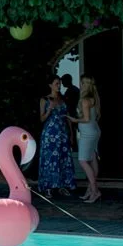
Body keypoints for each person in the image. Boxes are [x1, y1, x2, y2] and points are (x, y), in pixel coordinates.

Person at [37, 76, 76, 198]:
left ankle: (62, 185)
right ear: (50, 85)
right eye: (56, 83)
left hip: (63, 133)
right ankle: (48, 186)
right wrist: (49, 109)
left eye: (59, 84)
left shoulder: (63, 99)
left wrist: (71, 134)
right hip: (50, 134)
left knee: (63, 159)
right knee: (50, 160)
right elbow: (42, 118)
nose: (59, 86)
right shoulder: (45, 99)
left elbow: (67, 117)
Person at [76, 75, 102, 203]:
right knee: (92, 159)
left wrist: (74, 119)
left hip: (88, 133)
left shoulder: (85, 100)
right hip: (94, 130)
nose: (80, 85)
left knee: (83, 161)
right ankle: (90, 190)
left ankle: (95, 190)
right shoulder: (94, 98)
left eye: (81, 83)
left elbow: (86, 119)